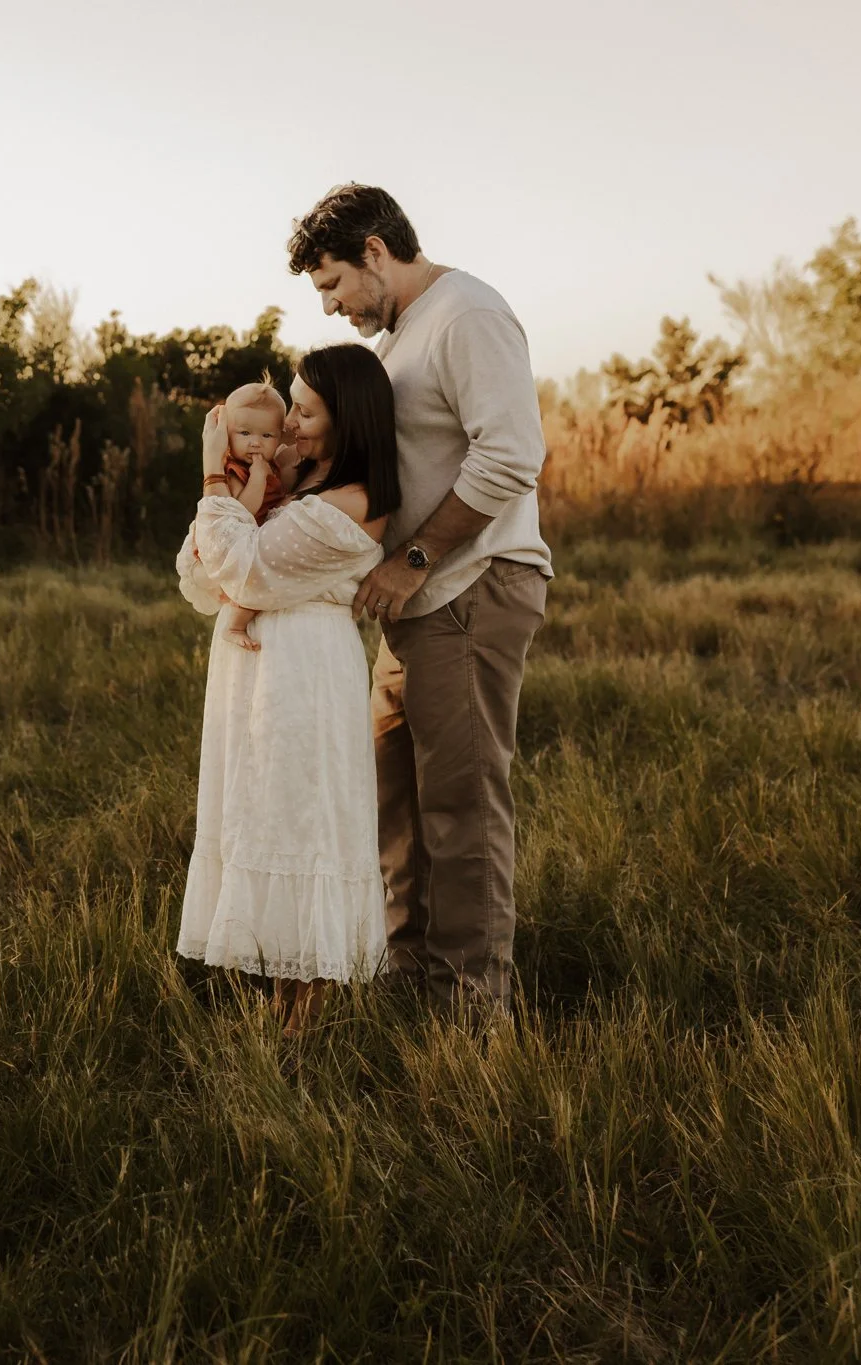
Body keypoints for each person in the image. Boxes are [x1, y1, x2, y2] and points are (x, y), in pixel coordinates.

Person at [288, 184, 553, 1014]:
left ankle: (472, 1012)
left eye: (333, 285)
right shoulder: (405, 335)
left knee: (461, 804)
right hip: (413, 601)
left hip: (470, 587)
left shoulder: (466, 314)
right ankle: (409, 979)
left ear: (374, 250)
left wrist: (412, 557)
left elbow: (511, 457)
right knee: (395, 797)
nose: (331, 307)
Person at [175, 344, 399, 1036]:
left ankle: (305, 1021)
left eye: (305, 410)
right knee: (264, 816)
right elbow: (199, 577)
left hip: (304, 673)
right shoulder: (293, 483)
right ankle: (282, 1009)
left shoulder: (355, 502)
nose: (292, 423)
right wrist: (232, 500)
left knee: (302, 821)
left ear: (348, 418)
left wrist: (215, 474)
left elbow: (238, 570)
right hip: (254, 674)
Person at [213, 377, 291, 650]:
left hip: (259, 537)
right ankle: (234, 626)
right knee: (256, 577)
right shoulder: (235, 471)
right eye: (244, 434)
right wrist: (257, 479)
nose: (255, 443)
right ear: (228, 435)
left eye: (266, 435)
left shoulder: (273, 464)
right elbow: (242, 512)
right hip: (238, 542)